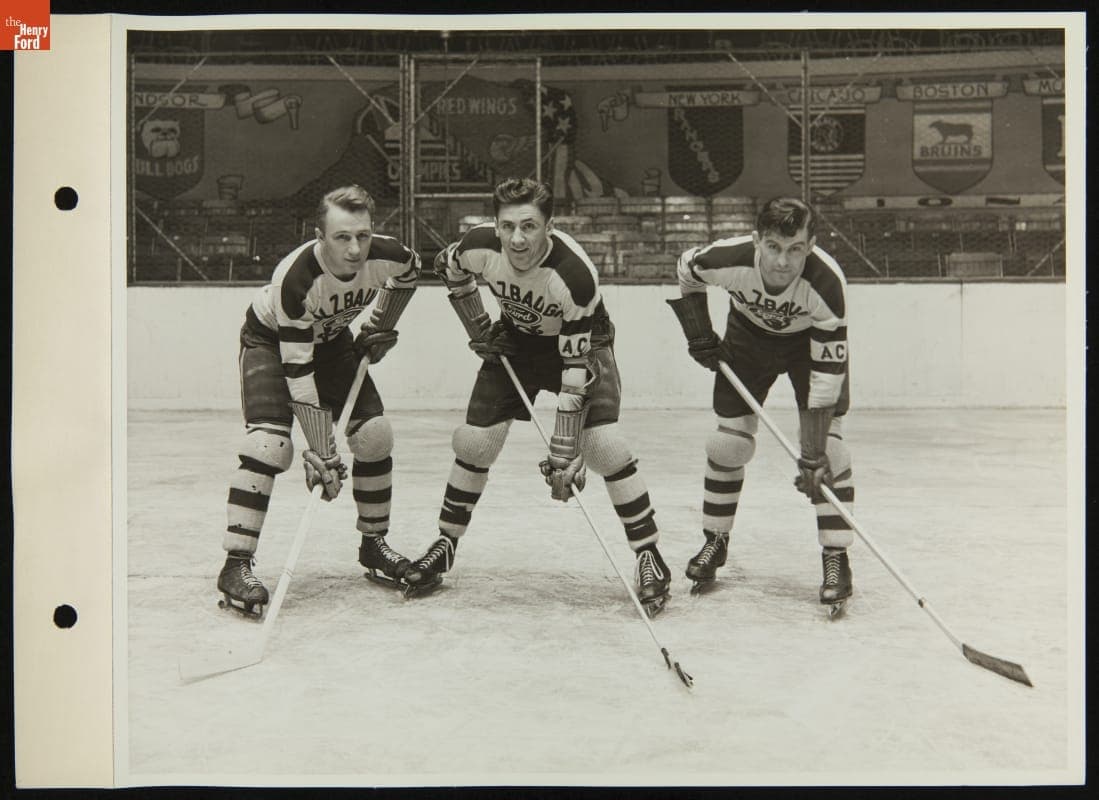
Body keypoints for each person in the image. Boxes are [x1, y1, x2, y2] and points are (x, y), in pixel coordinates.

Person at [402, 177, 673, 617]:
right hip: (517, 340)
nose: (517, 239)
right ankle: (446, 543)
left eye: (529, 226)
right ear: (495, 224)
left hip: (582, 343)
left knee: (603, 448)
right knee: (474, 442)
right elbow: (448, 269)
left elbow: (572, 373)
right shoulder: (477, 247)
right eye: (507, 226)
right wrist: (478, 325)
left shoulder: (574, 277)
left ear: (550, 225)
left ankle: (649, 555)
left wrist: (565, 449)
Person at [217, 184, 421, 616]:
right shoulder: (297, 280)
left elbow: (410, 273)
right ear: (318, 235)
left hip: (331, 344)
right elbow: (298, 372)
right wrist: (322, 452)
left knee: (374, 436)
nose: (354, 249)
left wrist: (381, 326)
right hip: (272, 344)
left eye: (363, 236)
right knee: (269, 445)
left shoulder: (389, 255)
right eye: (341, 237)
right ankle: (235, 564)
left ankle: (374, 544)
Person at [667, 196, 856, 612]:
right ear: (756, 241)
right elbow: (687, 268)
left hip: (809, 347)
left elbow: (825, 380)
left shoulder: (826, 285)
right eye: (773, 247)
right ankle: (714, 541)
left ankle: (836, 557)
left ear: (811, 245)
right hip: (748, 339)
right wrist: (699, 330)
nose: (783, 262)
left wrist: (813, 451)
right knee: (727, 445)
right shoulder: (728, 258)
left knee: (832, 454)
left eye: (795, 250)